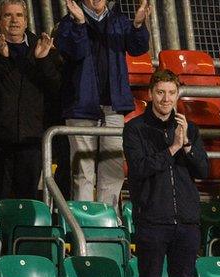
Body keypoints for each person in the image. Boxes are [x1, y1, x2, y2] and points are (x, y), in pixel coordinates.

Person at [123, 69, 209, 277]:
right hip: (152, 222)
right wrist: (172, 148)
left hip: (186, 223)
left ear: (178, 95)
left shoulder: (188, 128)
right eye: (160, 92)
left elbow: (203, 170)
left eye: (171, 93)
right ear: (150, 94)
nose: (166, 98)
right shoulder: (135, 129)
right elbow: (139, 169)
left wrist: (188, 146)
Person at [55, 0, 151, 208]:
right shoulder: (67, 23)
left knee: (113, 169)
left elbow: (138, 48)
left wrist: (138, 25)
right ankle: (84, 223)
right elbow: (75, 51)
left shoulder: (120, 21)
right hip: (80, 108)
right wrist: (80, 23)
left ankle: (107, 221)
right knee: (83, 171)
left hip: (113, 107)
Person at [0, 0, 60, 208]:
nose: (14, 21)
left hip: (31, 139)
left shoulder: (41, 47)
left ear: (26, 21)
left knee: (28, 201)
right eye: (7, 15)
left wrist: (43, 60)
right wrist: (2, 60)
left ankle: (26, 240)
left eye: (19, 15)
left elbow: (55, 88)